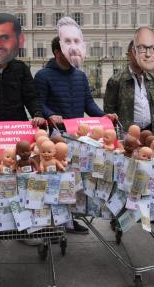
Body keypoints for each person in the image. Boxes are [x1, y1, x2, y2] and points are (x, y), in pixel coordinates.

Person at [34, 17, 116, 234]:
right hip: (56, 139)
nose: (73, 49)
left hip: (78, 138)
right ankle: (56, 219)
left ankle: (71, 217)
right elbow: (38, 104)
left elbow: (88, 103)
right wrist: (52, 115)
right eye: (66, 45)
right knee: (57, 179)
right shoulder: (43, 75)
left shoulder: (80, 76)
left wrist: (105, 116)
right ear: (57, 51)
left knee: (75, 179)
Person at [104, 27, 154, 135]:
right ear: (129, 54)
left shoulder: (153, 79)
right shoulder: (116, 80)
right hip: (127, 134)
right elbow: (109, 112)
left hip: (149, 131)